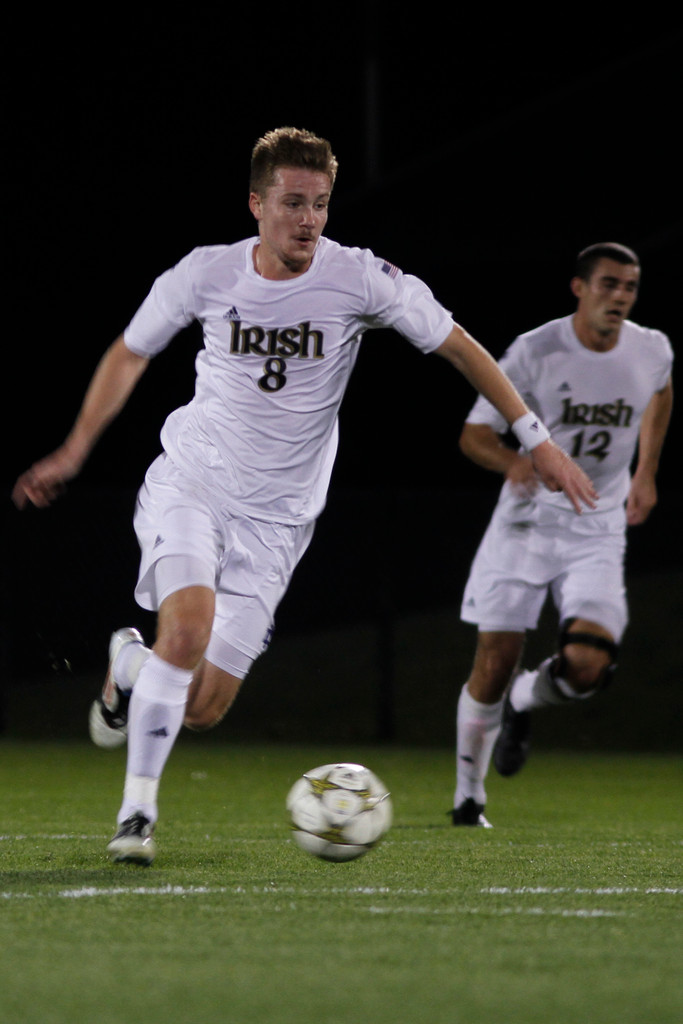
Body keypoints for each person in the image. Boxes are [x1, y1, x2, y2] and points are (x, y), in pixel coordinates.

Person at [12, 127, 596, 864]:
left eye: (319, 204)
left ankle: (130, 663)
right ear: (256, 204)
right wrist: (75, 447)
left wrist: (534, 437)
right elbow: (130, 351)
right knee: (186, 631)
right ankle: (136, 817)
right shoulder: (207, 273)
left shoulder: (360, 278)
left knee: (201, 707)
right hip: (195, 482)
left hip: (281, 522)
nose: (309, 220)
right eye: (292, 203)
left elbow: (458, 345)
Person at [451, 241, 673, 828]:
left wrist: (646, 471)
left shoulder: (652, 349)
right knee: (494, 663)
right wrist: (514, 462)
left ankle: (525, 703)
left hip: (598, 525)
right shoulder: (536, 350)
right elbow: (474, 435)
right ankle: (467, 798)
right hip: (527, 523)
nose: (620, 297)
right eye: (608, 285)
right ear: (579, 288)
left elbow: (660, 392)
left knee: (588, 665)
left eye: (629, 287)